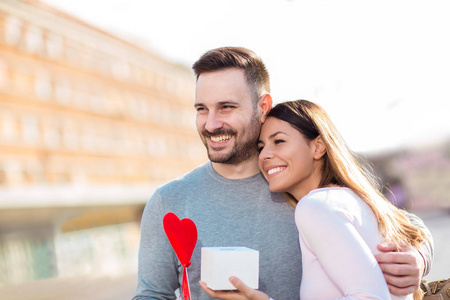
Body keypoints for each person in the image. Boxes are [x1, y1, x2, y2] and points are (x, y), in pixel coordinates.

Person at [133, 47, 433, 300]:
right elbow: (151, 293)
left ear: (263, 106)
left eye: (226, 107)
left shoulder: (299, 184)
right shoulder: (168, 200)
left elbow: (406, 226)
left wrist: (418, 258)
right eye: (201, 109)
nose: (211, 124)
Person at [200, 100, 431, 300]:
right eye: (261, 147)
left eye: (278, 141)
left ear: (318, 146)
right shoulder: (351, 200)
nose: (265, 155)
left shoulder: (315, 206)